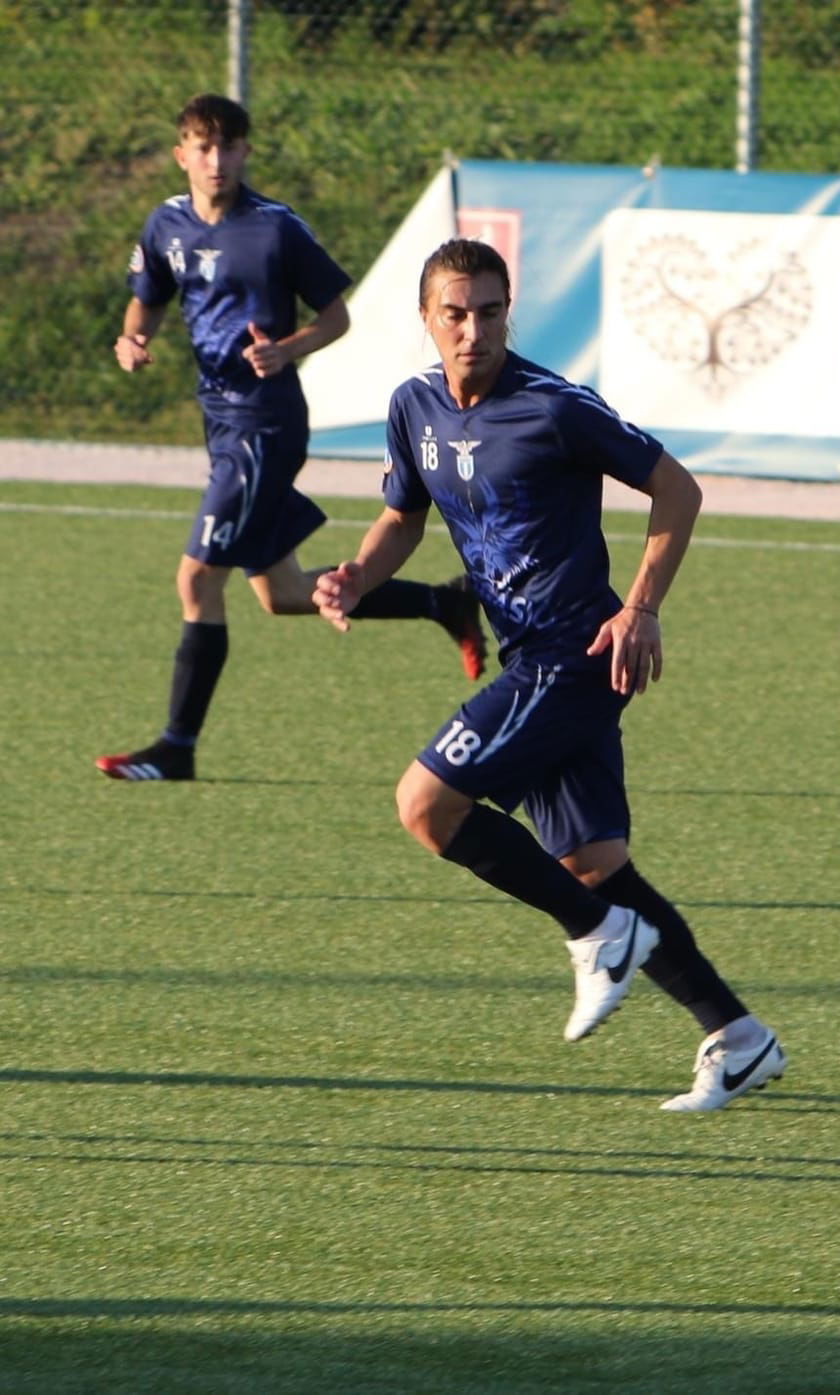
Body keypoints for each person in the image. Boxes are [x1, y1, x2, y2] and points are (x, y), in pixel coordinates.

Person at [312, 237, 786, 1112]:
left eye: (490, 312)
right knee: (596, 861)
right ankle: (737, 1034)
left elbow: (678, 489)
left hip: (575, 652)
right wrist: (356, 574)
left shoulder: (553, 406)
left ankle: (596, 934)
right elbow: (401, 519)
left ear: (507, 315)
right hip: (529, 652)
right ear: (426, 318)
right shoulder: (412, 405)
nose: (473, 329)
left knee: (425, 803)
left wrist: (640, 606)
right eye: (455, 313)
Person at [97, 93, 485, 783]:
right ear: (181, 154)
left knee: (195, 579)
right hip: (219, 421)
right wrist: (134, 336)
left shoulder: (275, 230)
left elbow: (337, 316)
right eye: (203, 147)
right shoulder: (165, 225)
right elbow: (149, 294)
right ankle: (442, 601)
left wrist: (289, 348)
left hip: (265, 424)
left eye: (229, 147)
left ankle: (177, 747)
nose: (216, 161)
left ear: (246, 153)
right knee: (279, 594)